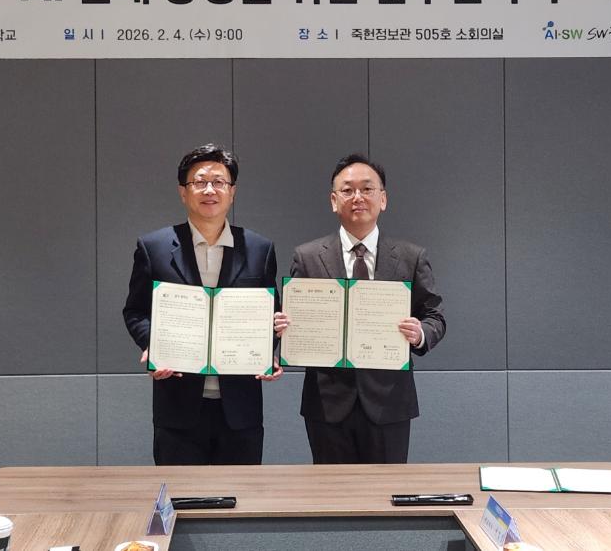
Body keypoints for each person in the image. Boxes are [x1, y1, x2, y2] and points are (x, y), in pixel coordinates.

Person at [274, 153, 445, 464]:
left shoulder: (411, 256)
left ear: (383, 199)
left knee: (386, 490)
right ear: (334, 201)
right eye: (347, 190)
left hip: (389, 403)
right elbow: (292, 318)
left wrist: (420, 333)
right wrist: (285, 328)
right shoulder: (307, 256)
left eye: (367, 189)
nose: (357, 197)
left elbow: (435, 316)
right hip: (326, 403)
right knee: (331, 491)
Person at [123, 144, 281, 465]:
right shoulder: (153, 247)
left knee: (240, 493)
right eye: (200, 182)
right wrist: (153, 344)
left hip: (241, 407)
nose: (210, 190)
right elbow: (135, 311)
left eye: (219, 182)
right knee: (180, 493)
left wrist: (272, 348)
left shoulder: (259, 249)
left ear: (232, 192)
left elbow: (270, 314)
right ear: (183, 192)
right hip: (177, 404)